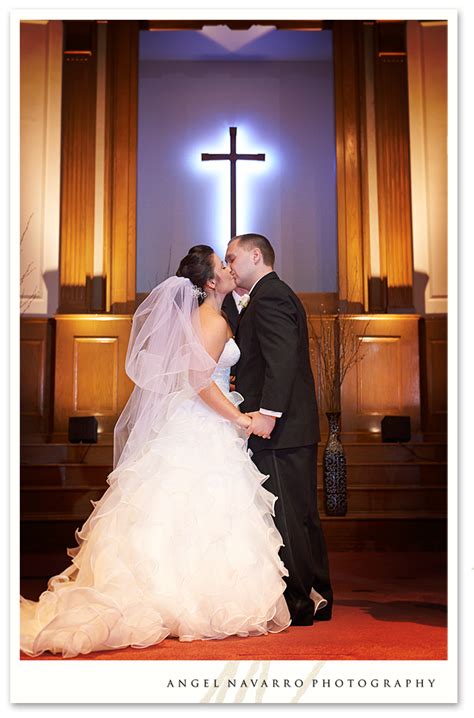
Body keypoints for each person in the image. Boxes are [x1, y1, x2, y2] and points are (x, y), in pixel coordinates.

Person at [20, 245, 296, 658]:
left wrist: (231, 396)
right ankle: (186, 601)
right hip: (204, 427)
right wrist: (239, 419)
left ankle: (177, 594)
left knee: (181, 511)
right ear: (209, 282)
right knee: (202, 510)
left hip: (192, 422)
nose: (228, 267)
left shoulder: (205, 319)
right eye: (222, 265)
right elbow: (201, 382)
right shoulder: (213, 321)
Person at [226, 233, 333, 626]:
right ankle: (318, 595)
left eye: (232, 258)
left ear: (257, 255)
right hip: (293, 429)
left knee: (287, 515)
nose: (229, 266)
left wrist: (268, 415)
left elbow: (282, 359)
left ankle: (302, 603)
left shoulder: (269, 296)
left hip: (280, 428)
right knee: (300, 514)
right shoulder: (270, 294)